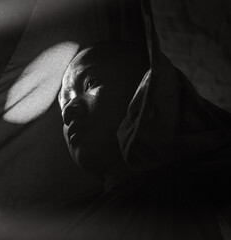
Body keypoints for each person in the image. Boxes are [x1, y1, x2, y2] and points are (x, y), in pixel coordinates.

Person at [57, 5, 231, 240]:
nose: (68, 111)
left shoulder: (196, 181)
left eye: (90, 83)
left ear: (145, 87)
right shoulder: (65, 223)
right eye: (63, 106)